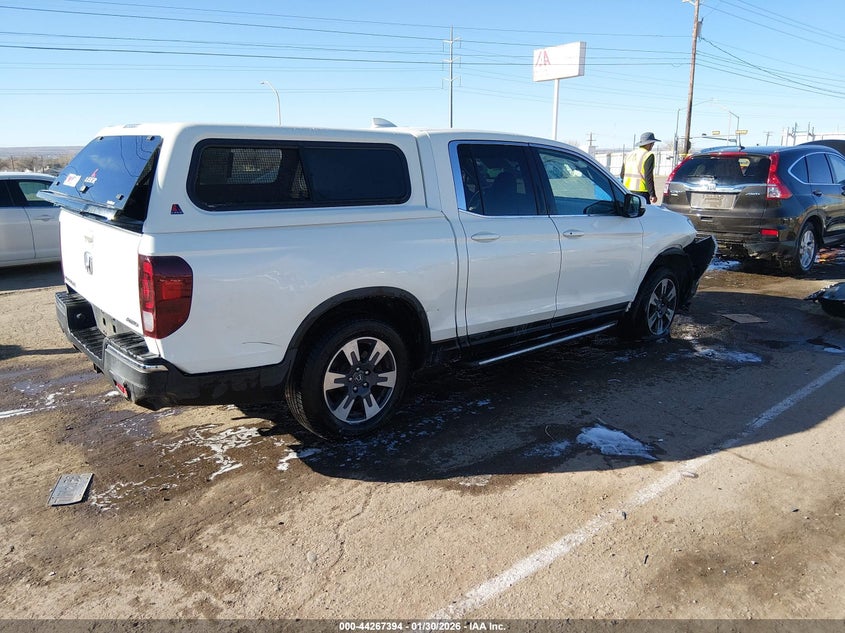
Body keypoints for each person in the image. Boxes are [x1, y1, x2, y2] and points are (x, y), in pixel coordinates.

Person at [621, 132, 660, 204]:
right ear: (649, 144)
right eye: (653, 143)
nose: (653, 145)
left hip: (627, 191)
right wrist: (652, 194)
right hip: (641, 192)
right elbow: (648, 176)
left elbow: (622, 174)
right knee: (644, 211)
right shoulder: (648, 155)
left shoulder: (629, 154)